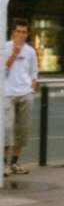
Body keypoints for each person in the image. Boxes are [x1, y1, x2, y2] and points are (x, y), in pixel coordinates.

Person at [4, 18, 38, 176]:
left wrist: (32, 86)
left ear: (28, 34)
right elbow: (1, 71)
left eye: (24, 32)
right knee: (6, 129)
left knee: (21, 129)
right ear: (13, 32)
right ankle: (3, 164)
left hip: (24, 93)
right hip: (7, 93)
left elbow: (33, 72)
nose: (20, 35)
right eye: (18, 31)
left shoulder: (30, 51)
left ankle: (14, 162)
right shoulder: (4, 47)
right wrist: (14, 54)